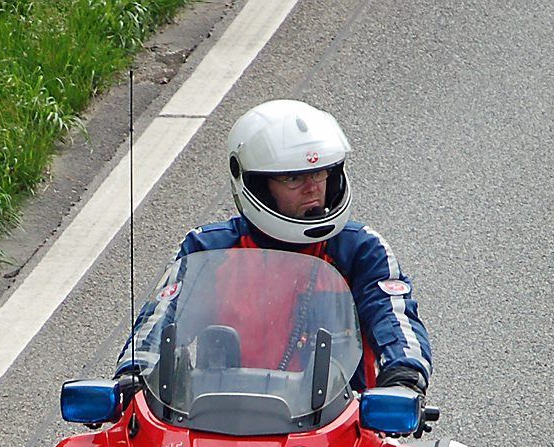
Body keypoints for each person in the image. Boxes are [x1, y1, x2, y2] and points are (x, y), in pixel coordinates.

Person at [116, 100, 432, 403]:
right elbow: (159, 321)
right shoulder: (208, 249)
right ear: (258, 186)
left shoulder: (361, 249)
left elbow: (395, 317)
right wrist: (134, 374)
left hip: (338, 429)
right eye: (293, 177)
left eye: (320, 173)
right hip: (218, 422)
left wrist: (405, 376)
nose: (312, 187)